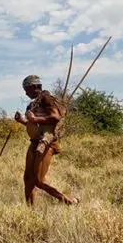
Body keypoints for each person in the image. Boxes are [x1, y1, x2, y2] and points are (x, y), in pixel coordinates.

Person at [14, 75, 78, 206]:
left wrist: (35, 119)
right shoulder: (33, 104)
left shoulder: (46, 98)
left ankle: (68, 200)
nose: (26, 92)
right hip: (34, 142)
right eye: (24, 90)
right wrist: (22, 121)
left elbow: (55, 116)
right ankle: (30, 210)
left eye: (27, 89)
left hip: (46, 143)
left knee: (39, 180)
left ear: (36, 87)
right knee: (28, 179)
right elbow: (35, 126)